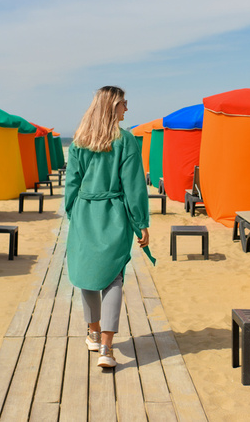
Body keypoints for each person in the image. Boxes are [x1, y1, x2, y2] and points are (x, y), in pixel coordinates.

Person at [64, 86, 150, 368]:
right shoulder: (126, 140)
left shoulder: (78, 140)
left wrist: (73, 212)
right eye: (124, 103)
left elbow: (71, 184)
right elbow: (134, 186)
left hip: (84, 213)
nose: (127, 108)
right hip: (114, 214)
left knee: (86, 274)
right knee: (113, 278)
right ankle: (106, 348)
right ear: (112, 106)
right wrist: (141, 223)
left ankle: (93, 331)